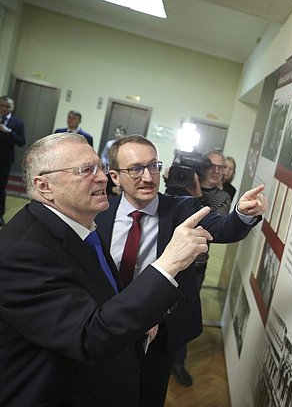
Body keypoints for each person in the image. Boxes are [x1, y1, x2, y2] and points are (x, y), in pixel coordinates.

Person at [0, 133, 213, 406]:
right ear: (45, 186)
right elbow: (90, 335)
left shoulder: (82, 224)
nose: (101, 178)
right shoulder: (21, 251)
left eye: (98, 167)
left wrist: (138, 317)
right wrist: (169, 262)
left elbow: (99, 296)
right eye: (85, 170)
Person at [96, 135, 267, 406]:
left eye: (153, 166)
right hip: (106, 326)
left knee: (148, 395)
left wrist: (243, 213)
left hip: (160, 331)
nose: (148, 177)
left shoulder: (182, 208)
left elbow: (225, 228)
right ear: (115, 177)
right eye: (135, 169)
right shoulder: (98, 214)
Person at [165, 150, 232, 386]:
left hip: (195, 264)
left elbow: (215, 227)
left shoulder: (222, 196)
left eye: (221, 167)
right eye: (212, 165)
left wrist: (196, 195)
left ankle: (177, 362)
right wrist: (170, 182)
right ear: (202, 166)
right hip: (165, 257)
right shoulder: (177, 183)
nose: (217, 171)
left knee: (183, 312)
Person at [0, 96, 26, 226]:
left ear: (12, 108)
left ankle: (0, 215)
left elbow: (22, 142)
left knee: (0, 187)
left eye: (7, 106)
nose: (4, 108)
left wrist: (9, 132)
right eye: (2, 105)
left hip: (4, 159)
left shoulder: (17, 123)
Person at [101, 126, 127, 196]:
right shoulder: (109, 144)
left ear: (124, 134)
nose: (118, 135)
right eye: (117, 133)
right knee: (107, 186)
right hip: (108, 169)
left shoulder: (126, 146)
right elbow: (103, 155)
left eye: (121, 133)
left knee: (118, 188)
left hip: (120, 170)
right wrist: (105, 166)